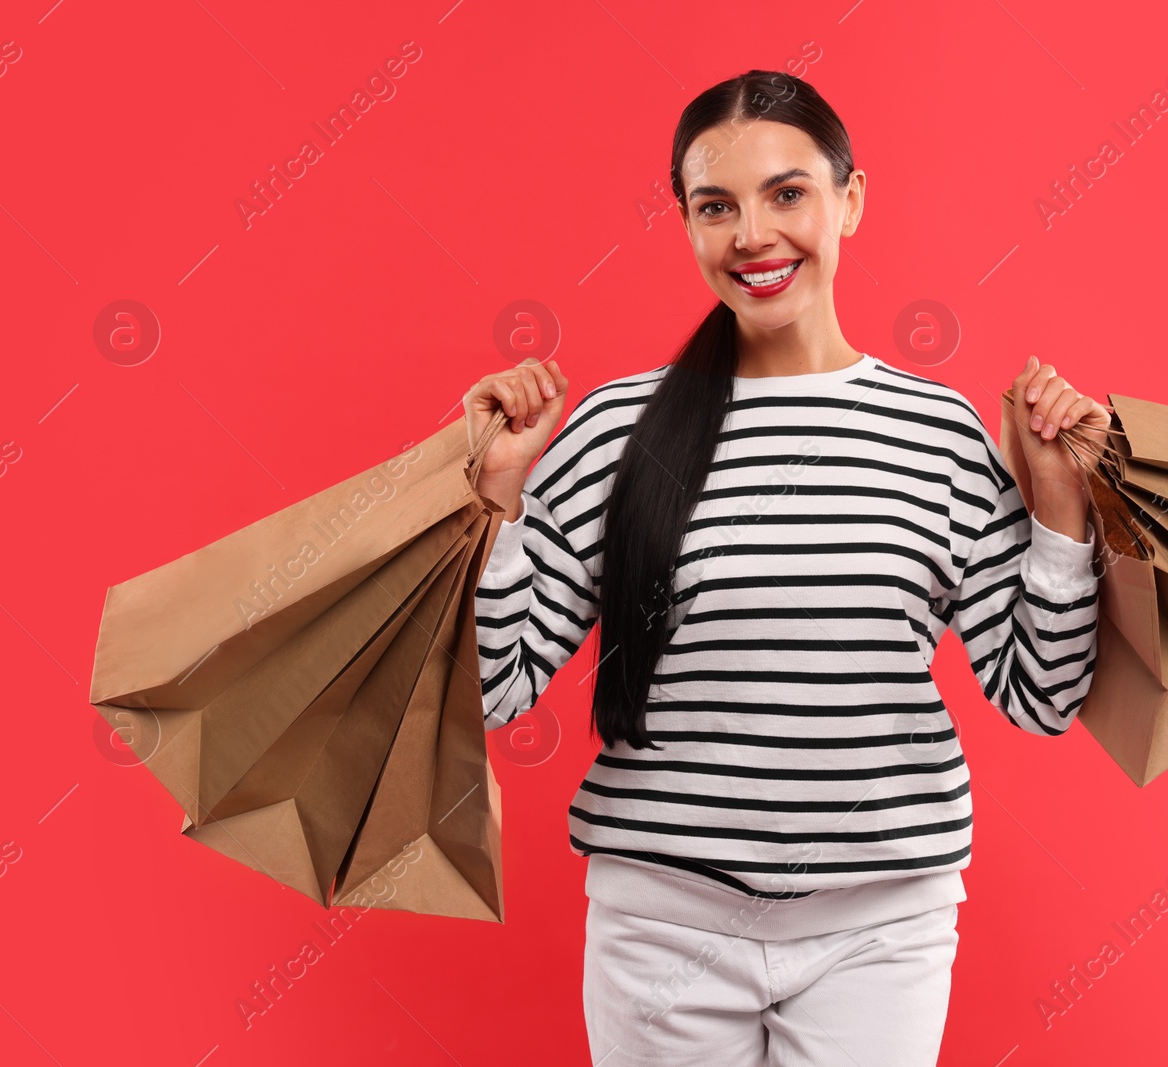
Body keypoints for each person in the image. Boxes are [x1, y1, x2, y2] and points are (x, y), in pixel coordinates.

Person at [461, 69, 1111, 1067]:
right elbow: (494, 689)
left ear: (850, 199)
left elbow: (1038, 697)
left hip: (880, 927)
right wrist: (496, 497)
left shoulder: (937, 434)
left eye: (787, 192)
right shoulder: (612, 430)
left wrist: (1060, 515)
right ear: (682, 222)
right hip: (661, 923)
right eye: (715, 206)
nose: (751, 234)